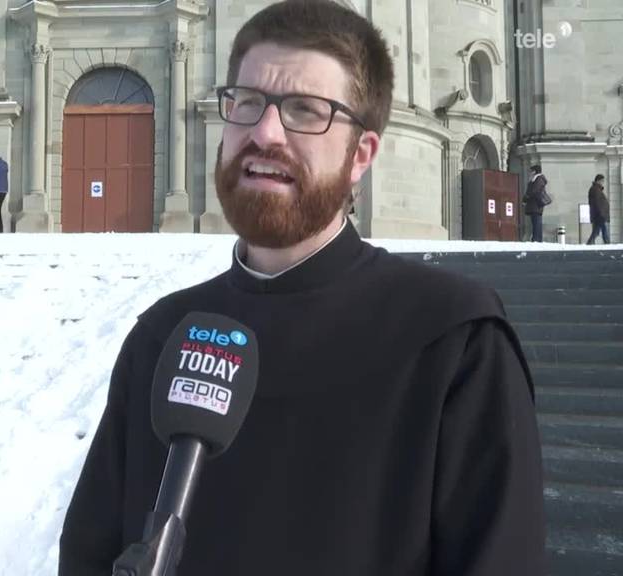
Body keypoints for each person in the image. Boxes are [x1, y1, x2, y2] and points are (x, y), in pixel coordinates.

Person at [58, 2, 546, 576]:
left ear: (361, 153)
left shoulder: (454, 342)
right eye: (247, 103)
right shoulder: (163, 333)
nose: (264, 131)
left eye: (305, 111)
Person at [522, 164, 549, 242]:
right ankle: (536, 238)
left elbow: (534, 191)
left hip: (536, 204)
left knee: (536, 222)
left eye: (531, 171)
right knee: (535, 221)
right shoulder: (536, 179)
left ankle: (536, 239)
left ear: (534, 171)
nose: (530, 173)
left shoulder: (538, 179)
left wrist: (526, 199)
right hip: (535, 204)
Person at [587, 173, 610, 244]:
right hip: (600, 215)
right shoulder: (595, 189)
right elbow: (597, 203)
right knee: (603, 231)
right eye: (602, 181)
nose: (603, 183)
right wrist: (601, 214)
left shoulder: (596, 189)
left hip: (599, 215)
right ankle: (608, 245)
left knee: (597, 232)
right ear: (598, 181)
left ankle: (590, 243)